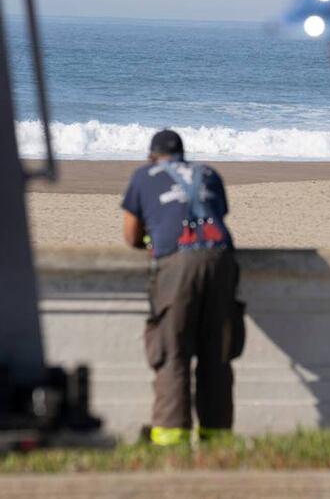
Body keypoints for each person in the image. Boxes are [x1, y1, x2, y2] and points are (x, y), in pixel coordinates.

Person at [120, 129, 244, 446]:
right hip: (221, 259)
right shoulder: (209, 174)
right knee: (217, 351)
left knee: (172, 350)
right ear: (182, 155)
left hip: (177, 262)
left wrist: (151, 240)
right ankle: (217, 438)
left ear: (152, 157)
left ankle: (171, 438)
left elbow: (131, 235)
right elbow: (216, 214)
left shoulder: (143, 176)